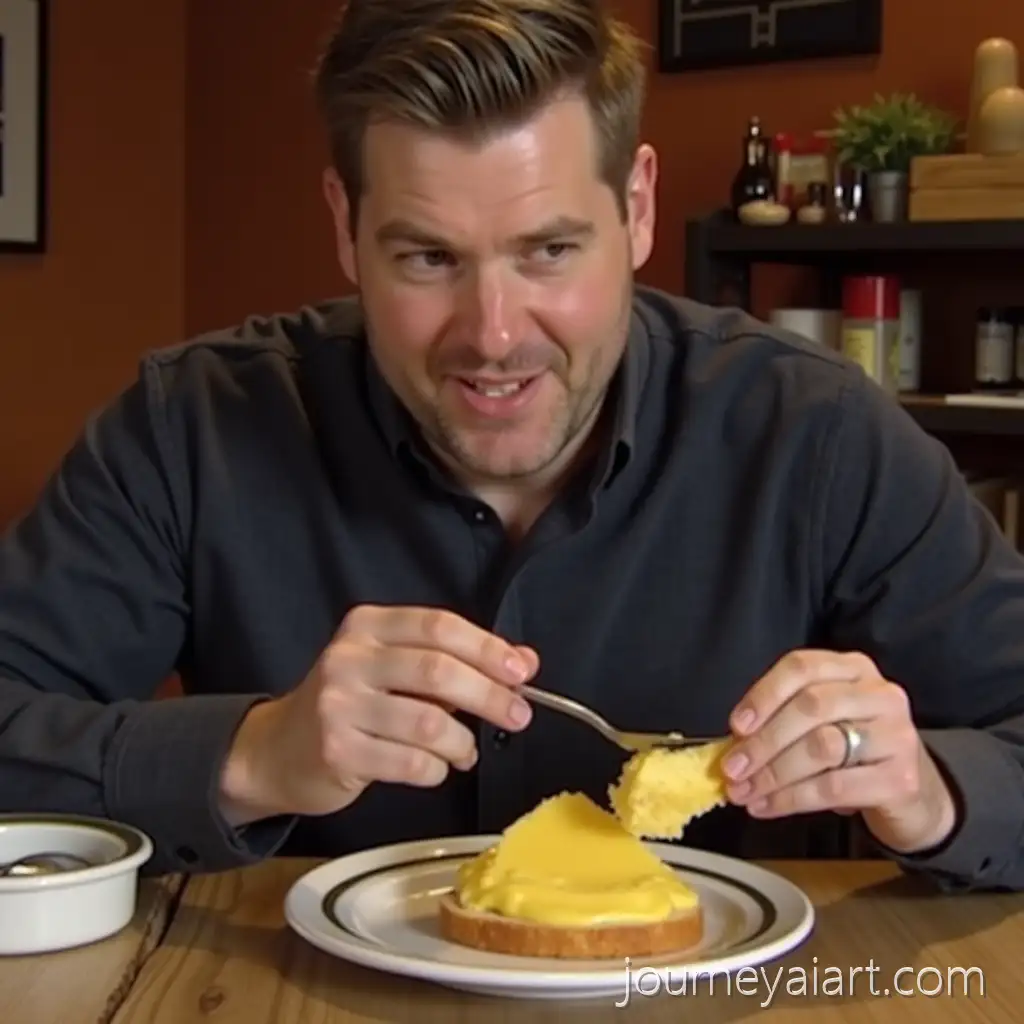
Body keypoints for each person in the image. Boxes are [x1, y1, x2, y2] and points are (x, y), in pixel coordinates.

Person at [3, 0, 1024, 891]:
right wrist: (252, 754)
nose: (493, 334)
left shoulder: (816, 435)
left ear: (634, 209)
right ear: (344, 226)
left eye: (549, 251)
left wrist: (927, 790)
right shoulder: (191, 429)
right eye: (427, 257)